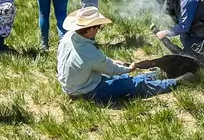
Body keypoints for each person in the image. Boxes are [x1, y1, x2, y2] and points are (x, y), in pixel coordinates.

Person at [57, 7, 190, 101]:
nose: (99, 30)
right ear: (90, 29)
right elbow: (112, 70)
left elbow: (99, 62)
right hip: (87, 91)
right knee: (135, 85)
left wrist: (113, 61)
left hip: (76, 84)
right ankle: (174, 82)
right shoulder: (90, 53)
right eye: (98, 27)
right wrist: (129, 68)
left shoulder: (68, 37)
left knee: (121, 79)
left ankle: (156, 74)